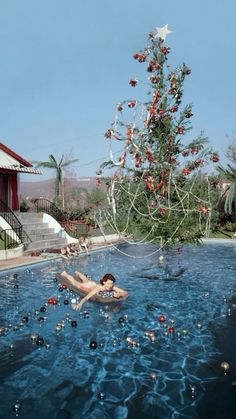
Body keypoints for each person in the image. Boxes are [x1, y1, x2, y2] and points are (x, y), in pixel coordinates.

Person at [59, 270, 128, 310]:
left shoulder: (111, 287)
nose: (110, 285)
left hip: (93, 284)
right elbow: (87, 297)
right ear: (104, 282)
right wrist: (80, 304)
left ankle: (78, 273)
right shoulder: (99, 288)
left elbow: (125, 292)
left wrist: (120, 294)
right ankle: (65, 274)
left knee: (86, 280)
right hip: (89, 287)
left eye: (112, 284)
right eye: (109, 283)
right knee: (75, 283)